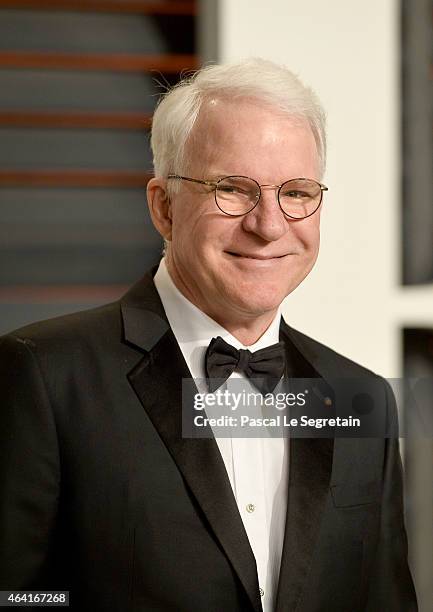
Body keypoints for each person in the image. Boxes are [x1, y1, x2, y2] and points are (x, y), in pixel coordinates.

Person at [0, 58, 417, 611]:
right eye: (233, 189)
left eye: (296, 192)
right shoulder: (43, 373)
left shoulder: (360, 395)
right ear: (164, 207)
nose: (269, 225)